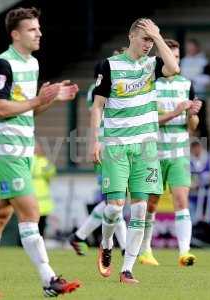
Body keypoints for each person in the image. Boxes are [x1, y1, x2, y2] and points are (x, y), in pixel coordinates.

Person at [0, 7, 81, 297]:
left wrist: (51, 98)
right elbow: (2, 108)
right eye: (32, 29)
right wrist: (37, 99)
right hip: (6, 150)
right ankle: (49, 280)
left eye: (39, 28)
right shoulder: (2, 64)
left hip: (22, 149)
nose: (39, 33)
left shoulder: (32, 64)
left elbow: (30, 110)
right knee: (31, 212)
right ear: (15, 34)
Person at [90, 18, 180, 284]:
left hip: (146, 147)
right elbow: (97, 106)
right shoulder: (109, 65)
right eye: (145, 39)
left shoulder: (152, 65)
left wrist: (159, 36)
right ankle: (106, 243)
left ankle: (127, 269)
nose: (149, 45)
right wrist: (94, 140)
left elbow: (173, 68)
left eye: (152, 41)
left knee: (140, 210)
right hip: (116, 146)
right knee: (115, 209)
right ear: (131, 37)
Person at [137, 39, 202, 267]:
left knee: (181, 200)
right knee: (151, 203)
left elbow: (192, 126)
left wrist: (193, 114)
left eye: (176, 57)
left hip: (179, 154)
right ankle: (145, 250)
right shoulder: (149, 84)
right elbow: (147, 120)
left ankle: (185, 253)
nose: (173, 61)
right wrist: (175, 112)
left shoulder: (187, 83)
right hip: (153, 153)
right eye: (169, 57)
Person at [68, 47, 128, 257]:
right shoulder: (99, 88)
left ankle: (80, 236)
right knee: (114, 200)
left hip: (116, 145)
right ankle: (124, 245)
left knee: (114, 200)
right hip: (106, 146)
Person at [180, 39, 210, 147]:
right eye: (188, 47)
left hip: (199, 96)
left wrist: (194, 79)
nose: (190, 49)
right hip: (184, 97)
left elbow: (209, 78)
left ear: (197, 47)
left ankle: (206, 148)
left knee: (201, 123)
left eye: (192, 46)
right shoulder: (183, 61)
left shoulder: (204, 61)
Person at [189, 141, 210, 247]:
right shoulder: (188, 160)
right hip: (194, 196)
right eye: (193, 147)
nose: (195, 150)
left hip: (209, 195)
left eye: (197, 147)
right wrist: (193, 184)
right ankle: (193, 242)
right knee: (192, 220)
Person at [32, 142, 56, 236]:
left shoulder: (43, 161)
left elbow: (51, 171)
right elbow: (51, 172)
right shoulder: (41, 161)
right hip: (34, 199)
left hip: (42, 201)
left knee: (38, 225)